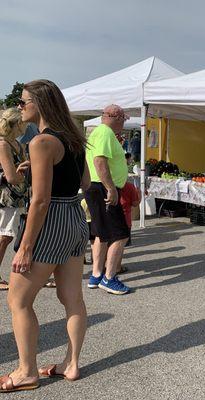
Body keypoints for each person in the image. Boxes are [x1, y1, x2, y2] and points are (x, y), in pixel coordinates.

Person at [0, 79, 90, 393]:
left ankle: (26, 371)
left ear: (40, 103)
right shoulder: (75, 139)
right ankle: (71, 363)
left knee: (18, 299)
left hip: (51, 220)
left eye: (24, 101)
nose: (19, 106)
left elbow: (40, 200)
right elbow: (86, 185)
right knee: (72, 298)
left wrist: (25, 248)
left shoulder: (42, 143)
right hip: (75, 218)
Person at [84, 104, 131, 295]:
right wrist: (111, 188)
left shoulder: (101, 132)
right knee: (120, 234)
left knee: (101, 234)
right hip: (101, 187)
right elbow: (99, 161)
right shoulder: (104, 132)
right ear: (115, 117)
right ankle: (109, 277)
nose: (123, 123)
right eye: (123, 119)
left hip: (96, 187)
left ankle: (96, 275)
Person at [0, 108, 27, 291]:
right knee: (4, 236)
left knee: (10, 236)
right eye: (23, 121)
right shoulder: (3, 144)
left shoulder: (17, 144)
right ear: (17, 123)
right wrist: (28, 174)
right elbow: (11, 176)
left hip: (18, 196)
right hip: (7, 197)